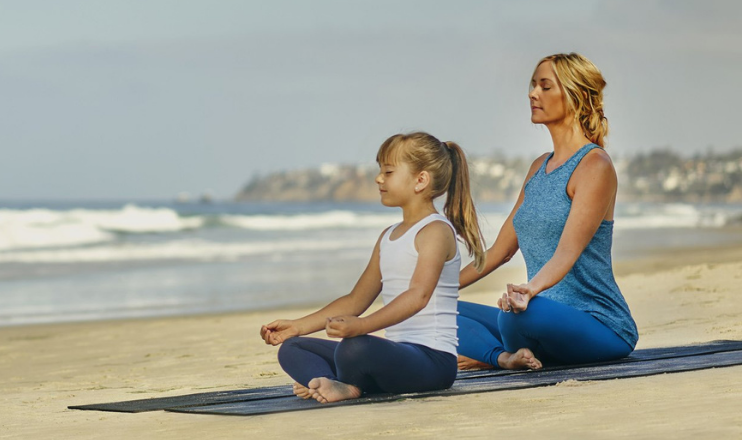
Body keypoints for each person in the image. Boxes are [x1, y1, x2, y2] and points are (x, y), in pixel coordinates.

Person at [260, 132, 485, 403]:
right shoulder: (388, 236)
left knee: (355, 346)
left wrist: (362, 326)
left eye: (388, 172)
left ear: (421, 180)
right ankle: (328, 383)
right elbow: (356, 300)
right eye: (380, 171)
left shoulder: (435, 231)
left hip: (432, 362)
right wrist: (297, 326)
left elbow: (418, 296)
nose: (379, 178)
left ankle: (342, 384)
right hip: (397, 356)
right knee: (293, 348)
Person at [456, 53, 638, 371]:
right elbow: (500, 251)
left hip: (599, 324)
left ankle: (490, 353)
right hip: (536, 313)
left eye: (545, 86)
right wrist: (435, 287)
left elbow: (567, 252)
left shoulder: (594, 165)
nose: (533, 93)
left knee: (518, 316)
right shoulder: (538, 168)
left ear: (577, 96)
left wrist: (528, 291)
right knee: (432, 310)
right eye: (533, 85)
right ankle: (505, 356)